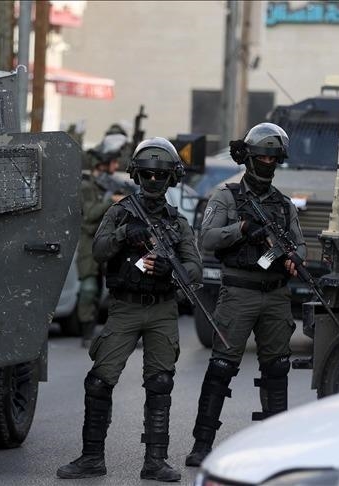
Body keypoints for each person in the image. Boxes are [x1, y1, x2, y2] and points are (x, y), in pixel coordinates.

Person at [57, 137, 202, 482]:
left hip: (162, 308)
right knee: (99, 381)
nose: (153, 180)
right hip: (125, 307)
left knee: (160, 382)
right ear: (136, 174)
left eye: (160, 174)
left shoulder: (177, 222)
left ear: (171, 178)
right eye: (147, 173)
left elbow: (194, 268)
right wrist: (124, 232)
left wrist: (169, 269)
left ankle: (155, 460)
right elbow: (99, 250)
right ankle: (92, 458)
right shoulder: (119, 212)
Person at [185, 122, 306, 467]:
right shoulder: (226, 196)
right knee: (221, 367)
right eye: (262, 157)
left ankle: (275, 447)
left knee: (277, 369)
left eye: (273, 158)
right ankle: (202, 444)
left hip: (276, 294)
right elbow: (207, 238)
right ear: (249, 158)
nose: (267, 163)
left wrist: (292, 258)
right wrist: (240, 228)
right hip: (239, 292)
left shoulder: (284, 205)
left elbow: (299, 245)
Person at [77, 133, 132, 347]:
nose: (116, 166)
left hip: (110, 243)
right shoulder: (87, 187)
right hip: (89, 246)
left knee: (117, 288)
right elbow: (89, 217)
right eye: (113, 162)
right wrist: (111, 201)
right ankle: (87, 333)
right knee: (89, 289)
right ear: (103, 163)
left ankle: (119, 331)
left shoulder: (113, 184)